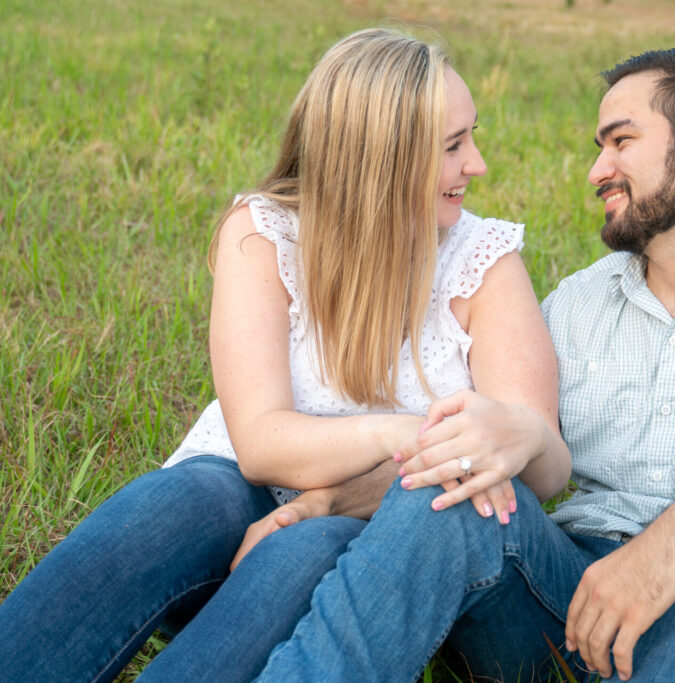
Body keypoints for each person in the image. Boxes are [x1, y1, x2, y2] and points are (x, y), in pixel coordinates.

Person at [253, 45, 675, 682]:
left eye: (621, 141)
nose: (597, 170)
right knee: (460, 492)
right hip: (574, 602)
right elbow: (487, 446)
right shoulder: (576, 303)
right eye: (599, 147)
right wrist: (334, 500)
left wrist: (667, 550)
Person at [0, 28, 570, 682]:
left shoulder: (485, 263)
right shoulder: (263, 232)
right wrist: (403, 431)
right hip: (237, 490)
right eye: (452, 146)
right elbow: (262, 442)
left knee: (300, 550)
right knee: (169, 505)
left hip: (376, 520)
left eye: (471, 136)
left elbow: (535, 460)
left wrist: (332, 494)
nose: (478, 163)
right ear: (380, 158)